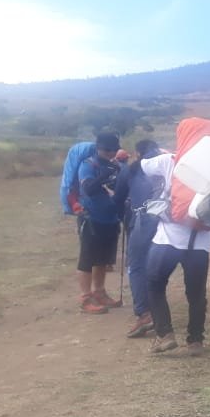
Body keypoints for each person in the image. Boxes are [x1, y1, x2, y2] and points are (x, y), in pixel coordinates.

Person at [141, 118, 210, 355]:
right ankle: (196, 340)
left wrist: (167, 153)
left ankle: (164, 333)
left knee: (155, 284)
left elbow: (144, 165)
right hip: (200, 243)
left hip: (167, 240)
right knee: (196, 293)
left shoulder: (170, 160)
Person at [112, 139, 162, 337]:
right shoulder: (168, 164)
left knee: (136, 266)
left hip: (142, 218)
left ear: (137, 153)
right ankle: (158, 310)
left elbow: (117, 199)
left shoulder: (132, 169)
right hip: (166, 219)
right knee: (156, 265)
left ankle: (144, 313)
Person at [75, 132, 123, 314]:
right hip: (91, 218)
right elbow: (88, 189)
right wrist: (104, 176)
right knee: (87, 258)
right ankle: (86, 298)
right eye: (107, 150)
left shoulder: (114, 165)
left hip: (110, 218)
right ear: (98, 148)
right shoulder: (87, 165)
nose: (111, 152)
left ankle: (99, 292)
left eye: (114, 149)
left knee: (103, 259)